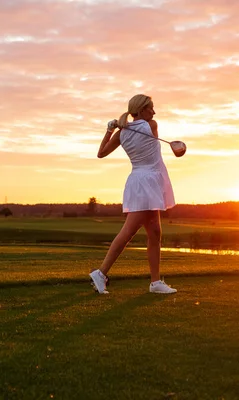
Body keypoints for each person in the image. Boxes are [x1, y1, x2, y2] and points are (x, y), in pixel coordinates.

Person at [90, 94, 177, 294]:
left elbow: (101, 152)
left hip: (140, 181)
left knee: (155, 233)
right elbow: (101, 154)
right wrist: (118, 128)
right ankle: (101, 273)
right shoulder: (151, 125)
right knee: (128, 231)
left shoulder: (122, 133)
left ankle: (155, 283)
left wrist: (110, 129)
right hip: (146, 181)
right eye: (151, 108)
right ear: (142, 110)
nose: (154, 112)